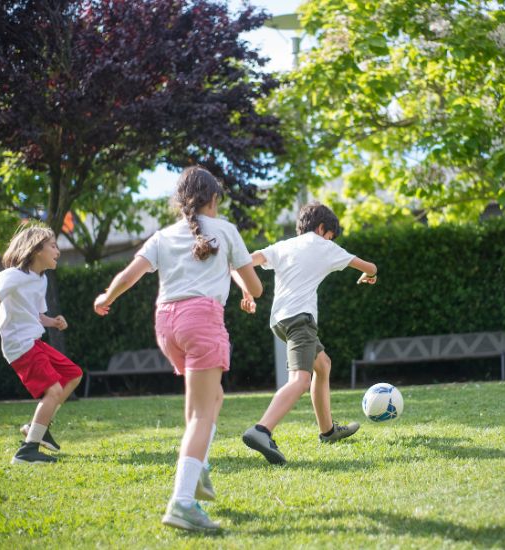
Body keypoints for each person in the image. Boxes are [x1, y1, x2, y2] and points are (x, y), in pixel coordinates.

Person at [93, 166, 262, 532]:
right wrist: (248, 290)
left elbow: (130, 275)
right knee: (204, 412)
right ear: (213, 199)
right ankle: (183, 502)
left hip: (167, 325)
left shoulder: (164, 235)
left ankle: (197, 468)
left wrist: (107, 296)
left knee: (209, 399)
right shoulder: (226, 230)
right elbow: (256, 287)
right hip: (202, 320)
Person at [234, 202, 377, 465]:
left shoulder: (283, 245)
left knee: (323, 364)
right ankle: (262, 430)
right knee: (300, 380)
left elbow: (244, 263)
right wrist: (369, 276)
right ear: (323, 228)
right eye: (330, 236)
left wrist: (246, 291)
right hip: (301, 320)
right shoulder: (324, 246)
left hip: (279, 321)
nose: (330, 240)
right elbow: (370, 266)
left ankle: (328, 431)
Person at [0, 224, 83, 465]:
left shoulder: (42, 280)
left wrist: (53, 321)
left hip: (34, 341)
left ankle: (37, 427)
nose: (58, 250)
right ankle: (27, 452)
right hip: (19, 344)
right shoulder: (11, 276)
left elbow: (36, 315)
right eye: (53, 246)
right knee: (54, 391)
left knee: (73, 374)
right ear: (37, 249)